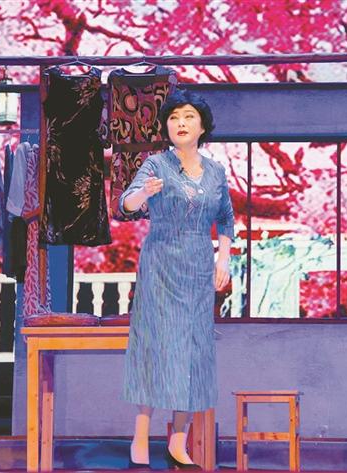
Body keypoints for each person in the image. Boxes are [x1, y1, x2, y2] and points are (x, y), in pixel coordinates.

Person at [119, 89, 235, 469]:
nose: (180, 123)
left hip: (198, 265)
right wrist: (143, 193)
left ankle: (178, 439)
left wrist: (223, 260)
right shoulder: (155, 164)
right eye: (173, 118)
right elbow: (126, 202)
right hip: (161, 263)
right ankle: (140, 435)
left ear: (202, 127)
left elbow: (227, 220)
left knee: (194, 350)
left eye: (188, 117)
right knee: (154, 346)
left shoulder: (216, 171)